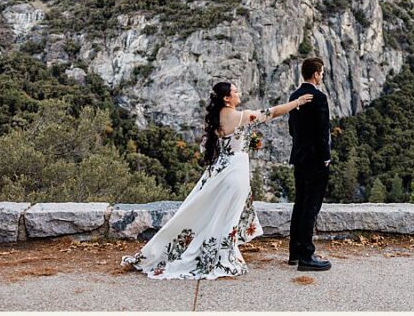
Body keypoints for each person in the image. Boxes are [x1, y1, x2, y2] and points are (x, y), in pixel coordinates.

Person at [122, 82, 311, 279]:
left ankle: (201, 250)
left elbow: (205, 148)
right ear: (226, 99)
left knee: (208, 212)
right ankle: (222, 257)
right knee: (228, 217)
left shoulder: (214, 121)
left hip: (218, 171)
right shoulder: (242, 117)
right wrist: (296, 102)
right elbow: (271, 112)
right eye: (235, 91)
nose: (239, 93)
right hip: (236, 171)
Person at [288, 57, 333, 271]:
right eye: (321, 72)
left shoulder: (294, 97)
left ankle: (294, 252)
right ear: (315, 74)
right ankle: (307, 255)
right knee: (311, 206)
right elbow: (323, 131)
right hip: (315, 159)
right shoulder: (319, 97)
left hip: (299, 157)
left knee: (300, 203)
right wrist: (325, 157)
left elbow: (291, 130)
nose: (322, 76)